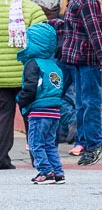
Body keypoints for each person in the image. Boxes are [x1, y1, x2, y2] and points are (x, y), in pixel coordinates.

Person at [49, 0, 102, 166]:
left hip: (88, 61)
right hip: (76, 60)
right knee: (81, 104)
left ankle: (95, 143)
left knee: (89, 102)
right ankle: (87, 143)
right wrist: (50, 24)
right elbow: (70, 27)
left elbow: (95, 31)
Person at [0, 0, 47, 170]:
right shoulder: (32, 9)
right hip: (27, 75)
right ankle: (38, 160)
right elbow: (44, 43)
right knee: (33, 118)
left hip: (1, 77)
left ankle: (1, 159)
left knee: (2, 119)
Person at [16, 23, 65, 184]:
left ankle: (45, 172)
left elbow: (30, 88)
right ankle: (58, 172)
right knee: (49, 144)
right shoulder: (54, 65)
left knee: (36, 144)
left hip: (39, 111)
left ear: (35, 43)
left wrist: (20, 99)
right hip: (55, 111)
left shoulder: (33, 64)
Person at [57, 0, 81, 155]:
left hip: (77, 57)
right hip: (63, 56)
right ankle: (66, 131)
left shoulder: (82, 3)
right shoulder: (64, 9)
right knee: (61, 93)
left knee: (76, 96)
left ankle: (77, 133)